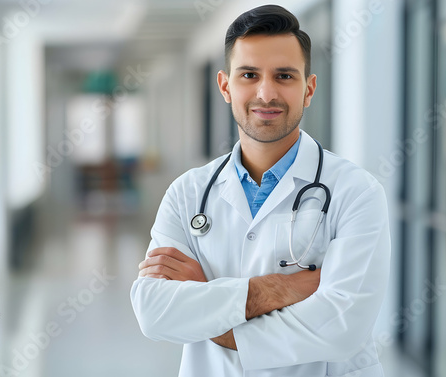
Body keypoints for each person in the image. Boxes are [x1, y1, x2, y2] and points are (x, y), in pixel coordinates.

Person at [131, 4, 391, 376]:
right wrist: (273, 290)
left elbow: (342, 327)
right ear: (225, 86)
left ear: (309, 88)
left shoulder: (356, 192)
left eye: (284, 76)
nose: (266, 93)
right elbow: (154, 313)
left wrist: (207, 303)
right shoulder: (187, 192)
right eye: (249, 74)